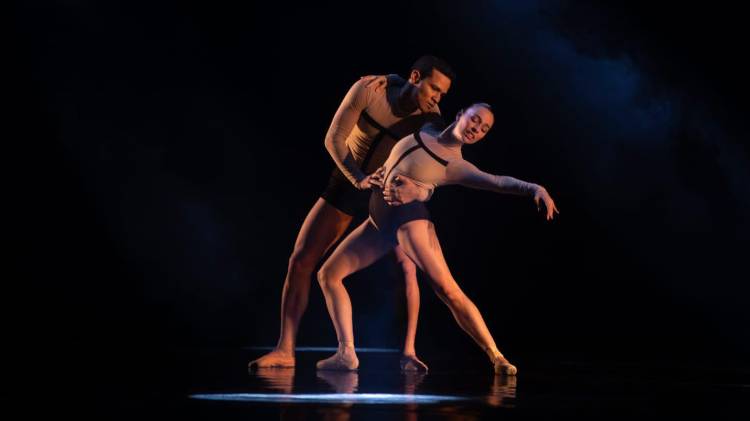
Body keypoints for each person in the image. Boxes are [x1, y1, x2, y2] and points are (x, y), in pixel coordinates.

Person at [316, 103, 559, 374]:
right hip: (379, 221)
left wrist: (534, 188)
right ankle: (346, 353)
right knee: (328, 274)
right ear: (460, 114)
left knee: (447, 289)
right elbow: (421, 95)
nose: (477, 129)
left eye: (484, 129)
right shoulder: (428, 125)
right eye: (475, 120)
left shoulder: (455, 165)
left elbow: (497, 181)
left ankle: (497, 356)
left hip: (408, 222)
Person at [249, 56, 455, 371]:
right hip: (350, 179)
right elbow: (333, 138)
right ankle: (285, 349)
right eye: (434, 88)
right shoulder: (370, 89)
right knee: (301, 260)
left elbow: (436, 170)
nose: (437, 98)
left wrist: (419, 191)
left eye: (442, 94)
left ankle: (409, 352)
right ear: (415, 77)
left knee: (407, 268)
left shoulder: (431, 118)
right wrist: (358, 178)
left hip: (387, 193)